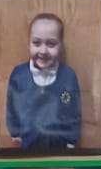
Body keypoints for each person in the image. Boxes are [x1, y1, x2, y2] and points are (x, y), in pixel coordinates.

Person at [5, 12, 82, 151]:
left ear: (61, 46)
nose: (43, 50)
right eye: (36, 43)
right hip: (28, 142)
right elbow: (12, 105)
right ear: (28, 44)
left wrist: (72, 138)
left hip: (60, 144)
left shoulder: (69, 76)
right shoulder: (18, 75)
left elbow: (74, 111)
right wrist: (14, 131)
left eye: (51, 44)